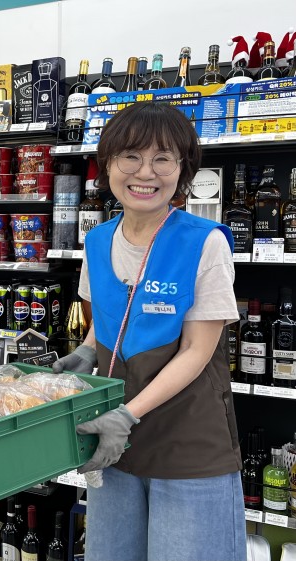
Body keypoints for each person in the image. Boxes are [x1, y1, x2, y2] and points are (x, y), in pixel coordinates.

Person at [53, 102, 246, 561]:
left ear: (183, 169)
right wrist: (86, 351)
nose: (146, 172)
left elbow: (197, 350)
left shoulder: (204, 242)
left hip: (187, 443)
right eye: (131, 156)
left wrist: (127, 415)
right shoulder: (97, 240)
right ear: (108, 165)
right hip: (112, 443)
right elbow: (108, 317)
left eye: (163, 158)